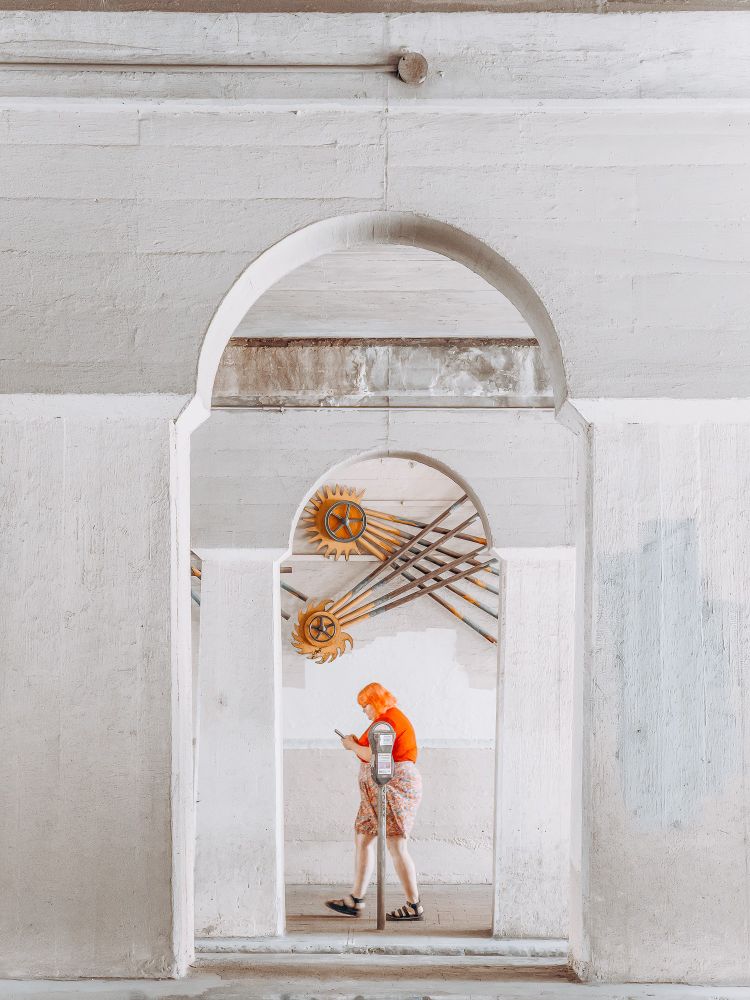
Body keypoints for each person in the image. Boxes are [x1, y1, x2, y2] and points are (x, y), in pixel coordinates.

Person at [326, 682, 424, 921]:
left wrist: (351, 746)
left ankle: (414, 905)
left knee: (396, 846)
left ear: (376, 701)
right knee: (363, 838)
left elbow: (376, 756)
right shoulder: (385, 720)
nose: (364, 711)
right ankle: (355, 900)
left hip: (391, 789)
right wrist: (355, 744)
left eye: (365, 705)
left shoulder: (389, 721)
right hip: (378, 793)